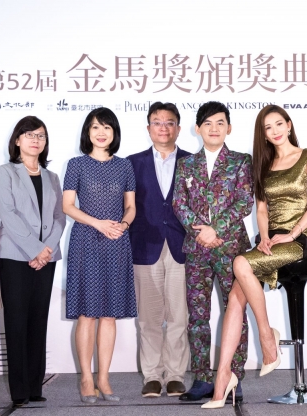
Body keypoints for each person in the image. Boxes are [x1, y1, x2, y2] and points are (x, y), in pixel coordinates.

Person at [204, 105, 307, 409]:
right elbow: (261, 209)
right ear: (264, 135)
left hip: (301, 240)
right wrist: (265, 237)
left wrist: (293, 233)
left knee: (240, 263)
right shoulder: (263, 163)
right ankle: (223, 378)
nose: (275, 131)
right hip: (272, 239)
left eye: (279, 124)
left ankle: (267, 337)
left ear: (289, 124)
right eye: (268, 128)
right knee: (235, 296)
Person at [172, 101, 253, 403]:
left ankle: (233, 376)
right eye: (208, 123)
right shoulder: (186, 164)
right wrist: (201, 232)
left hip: (232, 250)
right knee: (197, 317)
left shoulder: (241, 161)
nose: (214, 128)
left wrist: (214, 229)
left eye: (220, 123)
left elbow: (245, 200)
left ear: (228, 128)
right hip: (197, 250)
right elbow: (179, 203)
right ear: (198, 129)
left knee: (236, 313)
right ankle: (203, 378)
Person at [62, 107, 136, 403]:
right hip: (86, 240)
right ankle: (85, 378)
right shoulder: (76, 164)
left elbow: (130, 206)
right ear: (87, 132)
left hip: (116, 240)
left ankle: (104, 378)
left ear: (114, 132)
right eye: (95, 127)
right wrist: (98, 223)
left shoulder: (125, 166)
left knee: (109, 314)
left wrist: (123, 225)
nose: (101, 132)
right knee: (87, 313)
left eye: (107, 127)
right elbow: (68, 206)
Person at [0, 116, 66, 407]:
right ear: (17, 140)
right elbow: (8, 215)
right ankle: (19, 390)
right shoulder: (4, 173)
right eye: (29, 134)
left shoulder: (52, 177)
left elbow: (60, 217)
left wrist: (46, 251)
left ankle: (35, 386)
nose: (36, 140)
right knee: (16, 321)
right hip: (15, 256)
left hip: (47, 258)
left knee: (38, 320)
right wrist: (35, 250)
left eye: (41, 136)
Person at [127, 102, 192, 398]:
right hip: (145, 246)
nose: (163, 128)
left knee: (179, 316)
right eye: (157, 122)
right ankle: (152, 375)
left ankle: (176, 374)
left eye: (169, 122)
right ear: (148, 127)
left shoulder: (192, 162)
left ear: (178, 128)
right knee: (149, 317)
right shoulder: (132, 163)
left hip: (182, 246)